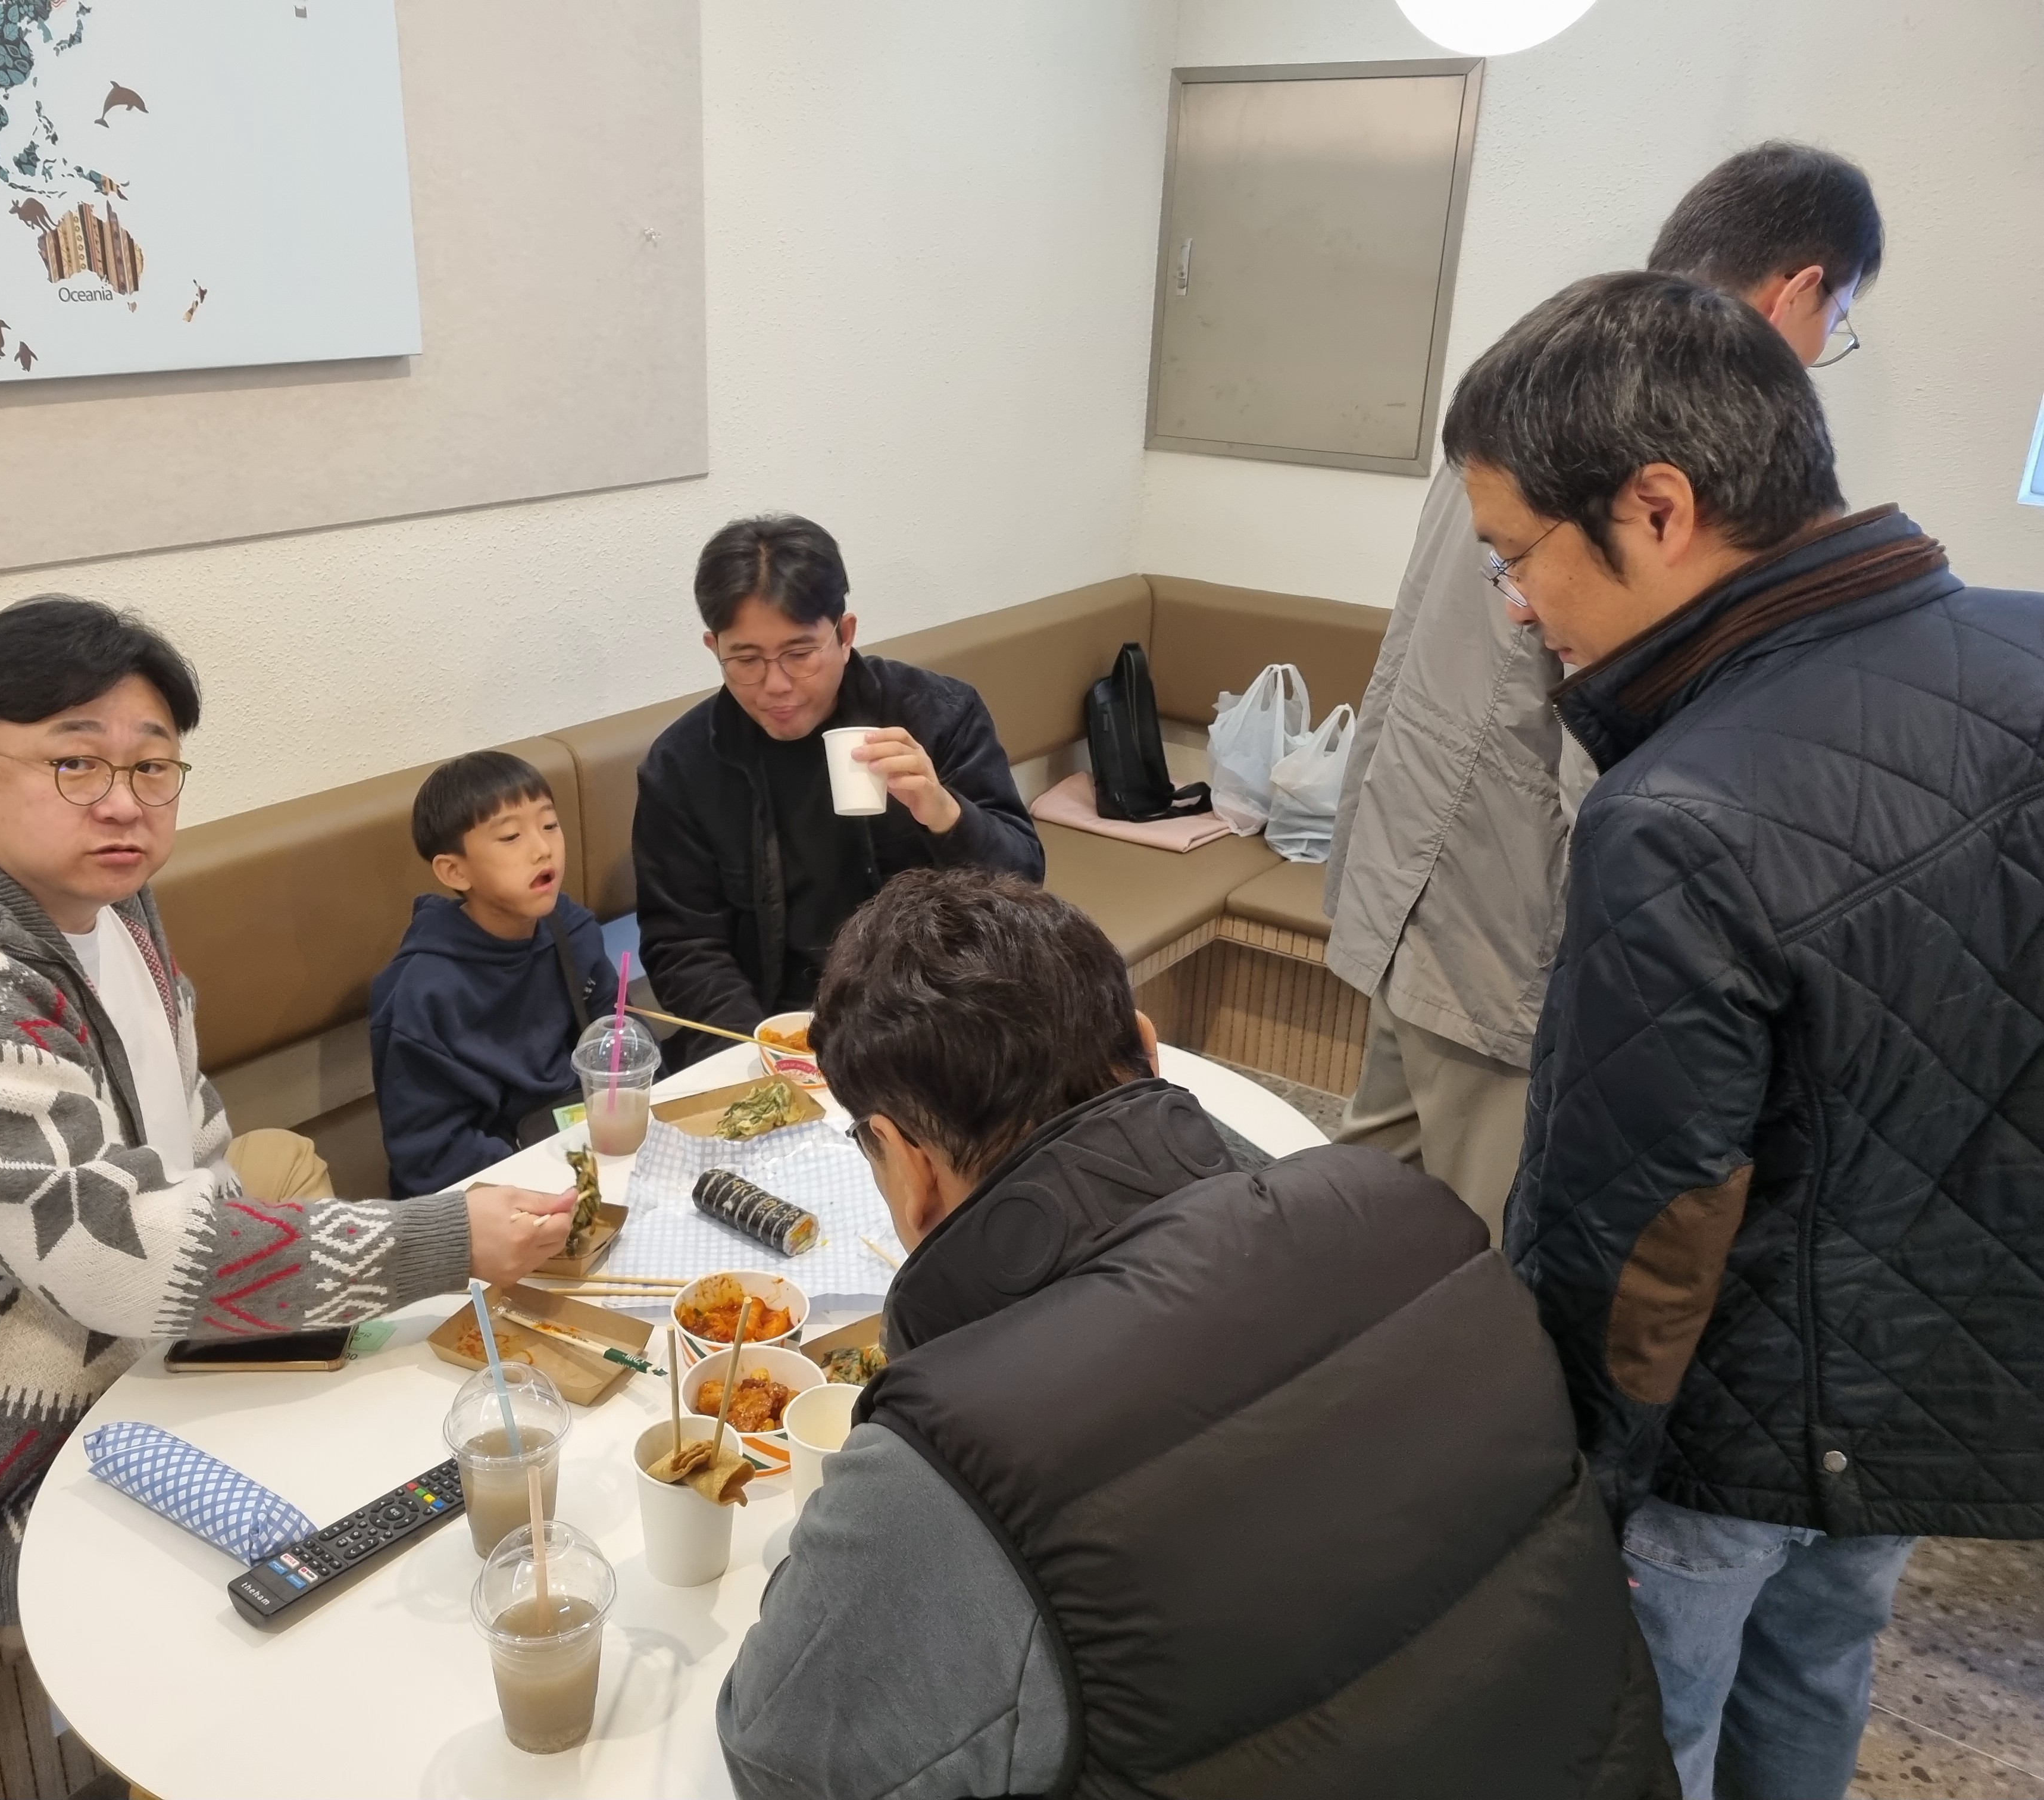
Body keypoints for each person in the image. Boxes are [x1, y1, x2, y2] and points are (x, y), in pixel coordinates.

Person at [1454, 272, 2044, 1798]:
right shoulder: (2029, 652)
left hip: (1734, 1433)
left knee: (1641, 1734)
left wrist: (1571, 1493)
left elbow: (1639, 1233)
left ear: (1656, 508)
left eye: (1516, 556)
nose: (1518, 605)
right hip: (1939, 1382)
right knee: (1818, 1681)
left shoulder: (1682, 815)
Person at [717, 868, 1676, 1800]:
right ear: (1148, 1045)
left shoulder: (958, 1454)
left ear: (906, 1158)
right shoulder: (1421, 1217)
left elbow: (778, 1752)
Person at [0, 596, 575, 1640]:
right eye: (75, 764)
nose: (123, 805)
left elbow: (183, 1120)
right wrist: (441, 1239)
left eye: (150, 766)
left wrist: (272, 1298)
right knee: (352, 1560)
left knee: (378, 1364)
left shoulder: (103, 898)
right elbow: (119, 1249)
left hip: (97, 1328)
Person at [1322, 143, 1883, 1240]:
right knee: (1487, 1259)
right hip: (1506, 931)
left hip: (1409, 880)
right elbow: (1624, 752)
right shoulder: (1662, 456)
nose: (1824, 351)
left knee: (1357, 1211)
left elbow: (1413, 656)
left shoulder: (1531, 376)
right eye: (1841, 319)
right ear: (1799, 290)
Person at [633, 514, 1042, 1046]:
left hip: (937, 1017)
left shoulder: (937, 714)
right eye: (746, 659)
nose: (776, 685)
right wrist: (756, 1051)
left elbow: (1023, 883)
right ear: (715, 649)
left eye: (800, 654)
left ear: (844, 635)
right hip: (772, 1025)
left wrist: (945, 813)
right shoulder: (683, 765)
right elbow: (684, 946)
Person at [370, 749, 617, 1194]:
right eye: (510, 837)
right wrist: (551, 1179)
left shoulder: (573, 930)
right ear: (454, 871)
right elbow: (431, 1156)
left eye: (549, 825)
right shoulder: (422, 993)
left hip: (591, 1155)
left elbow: (620, 1040)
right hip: (495, 1193)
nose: (543, 849)